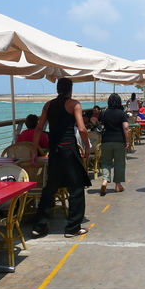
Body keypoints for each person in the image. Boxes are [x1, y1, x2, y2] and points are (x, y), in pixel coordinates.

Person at [30, 78, 91, 239]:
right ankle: (72, 227)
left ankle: (40, 226)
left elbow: (38, 127)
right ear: (71, 89)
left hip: (54, 151)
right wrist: (87, 146)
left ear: (58, 89)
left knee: (50, 188)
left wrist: (33, 150)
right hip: (69, 149)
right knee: (76, 188)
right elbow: (82, 129)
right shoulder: (74, 104)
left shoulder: (48, 105)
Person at [99, 93, 130, 196]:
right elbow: (125, 128)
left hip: (106, 140)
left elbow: (97, 122)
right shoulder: (122, 113)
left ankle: (104, 181)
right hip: (119, 140)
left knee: (106, 162)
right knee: (119, 163)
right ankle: (118, 185)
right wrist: (127, 141)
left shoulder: (104, 112)